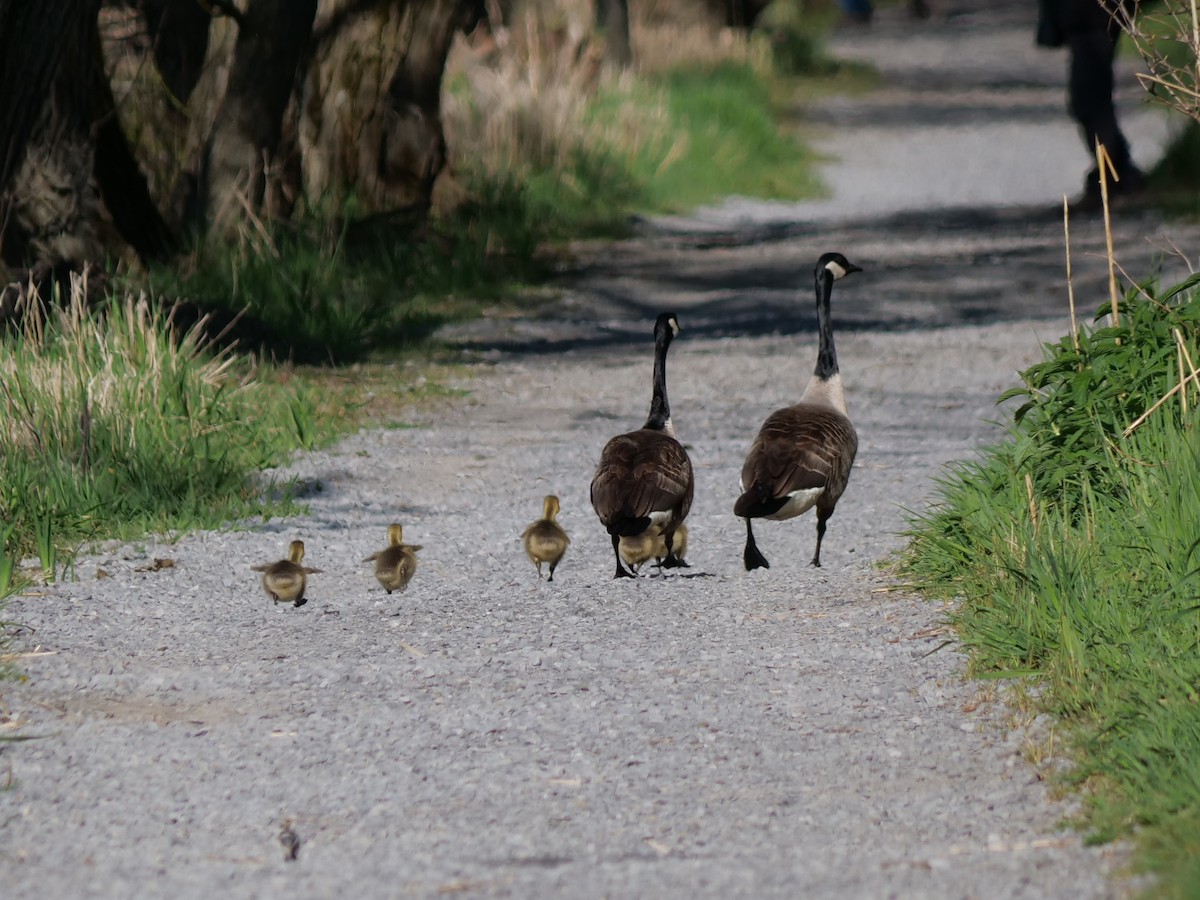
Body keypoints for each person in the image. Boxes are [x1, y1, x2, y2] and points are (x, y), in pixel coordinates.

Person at [1037, 0, 1146, 207]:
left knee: (1089, 99)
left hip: (1090, 16)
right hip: (1091, 16)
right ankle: (1118, 172)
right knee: (1090, 98)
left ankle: (1114, 176)